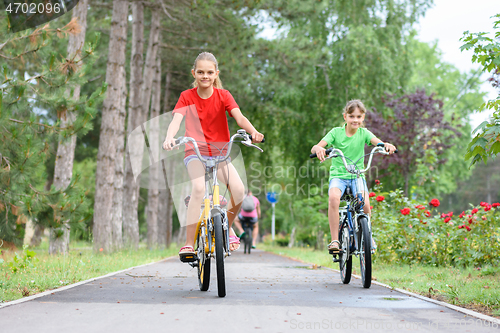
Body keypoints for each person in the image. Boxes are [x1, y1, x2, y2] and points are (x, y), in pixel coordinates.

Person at [162, 52, 264, 260]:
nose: (205, 76)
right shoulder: (186, 96)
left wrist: (253, 132)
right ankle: (189, 244)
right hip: (195, 152)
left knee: (238, 189)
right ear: (194, 73)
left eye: (209, 72)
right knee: (199, 188)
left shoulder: (224, 95)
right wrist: (169, 137)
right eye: (200, 72)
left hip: (220, 153)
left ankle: (226, 227)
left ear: (216, 73)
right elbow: (176, 121)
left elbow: (239, 117)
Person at [310, 100, 396, 253]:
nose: (355, 120)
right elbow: (317, 146)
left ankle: (368, 235)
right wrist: (318, 149)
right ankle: (335, 240)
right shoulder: (336, 132)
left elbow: (379, 143)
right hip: (339, 176)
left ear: (363, 118)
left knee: (365, 204)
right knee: (334, 198)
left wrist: (386, 145)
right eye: (351, 116)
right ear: (345, 117)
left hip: (357, 176)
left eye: (358, 116)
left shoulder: (364, 133)